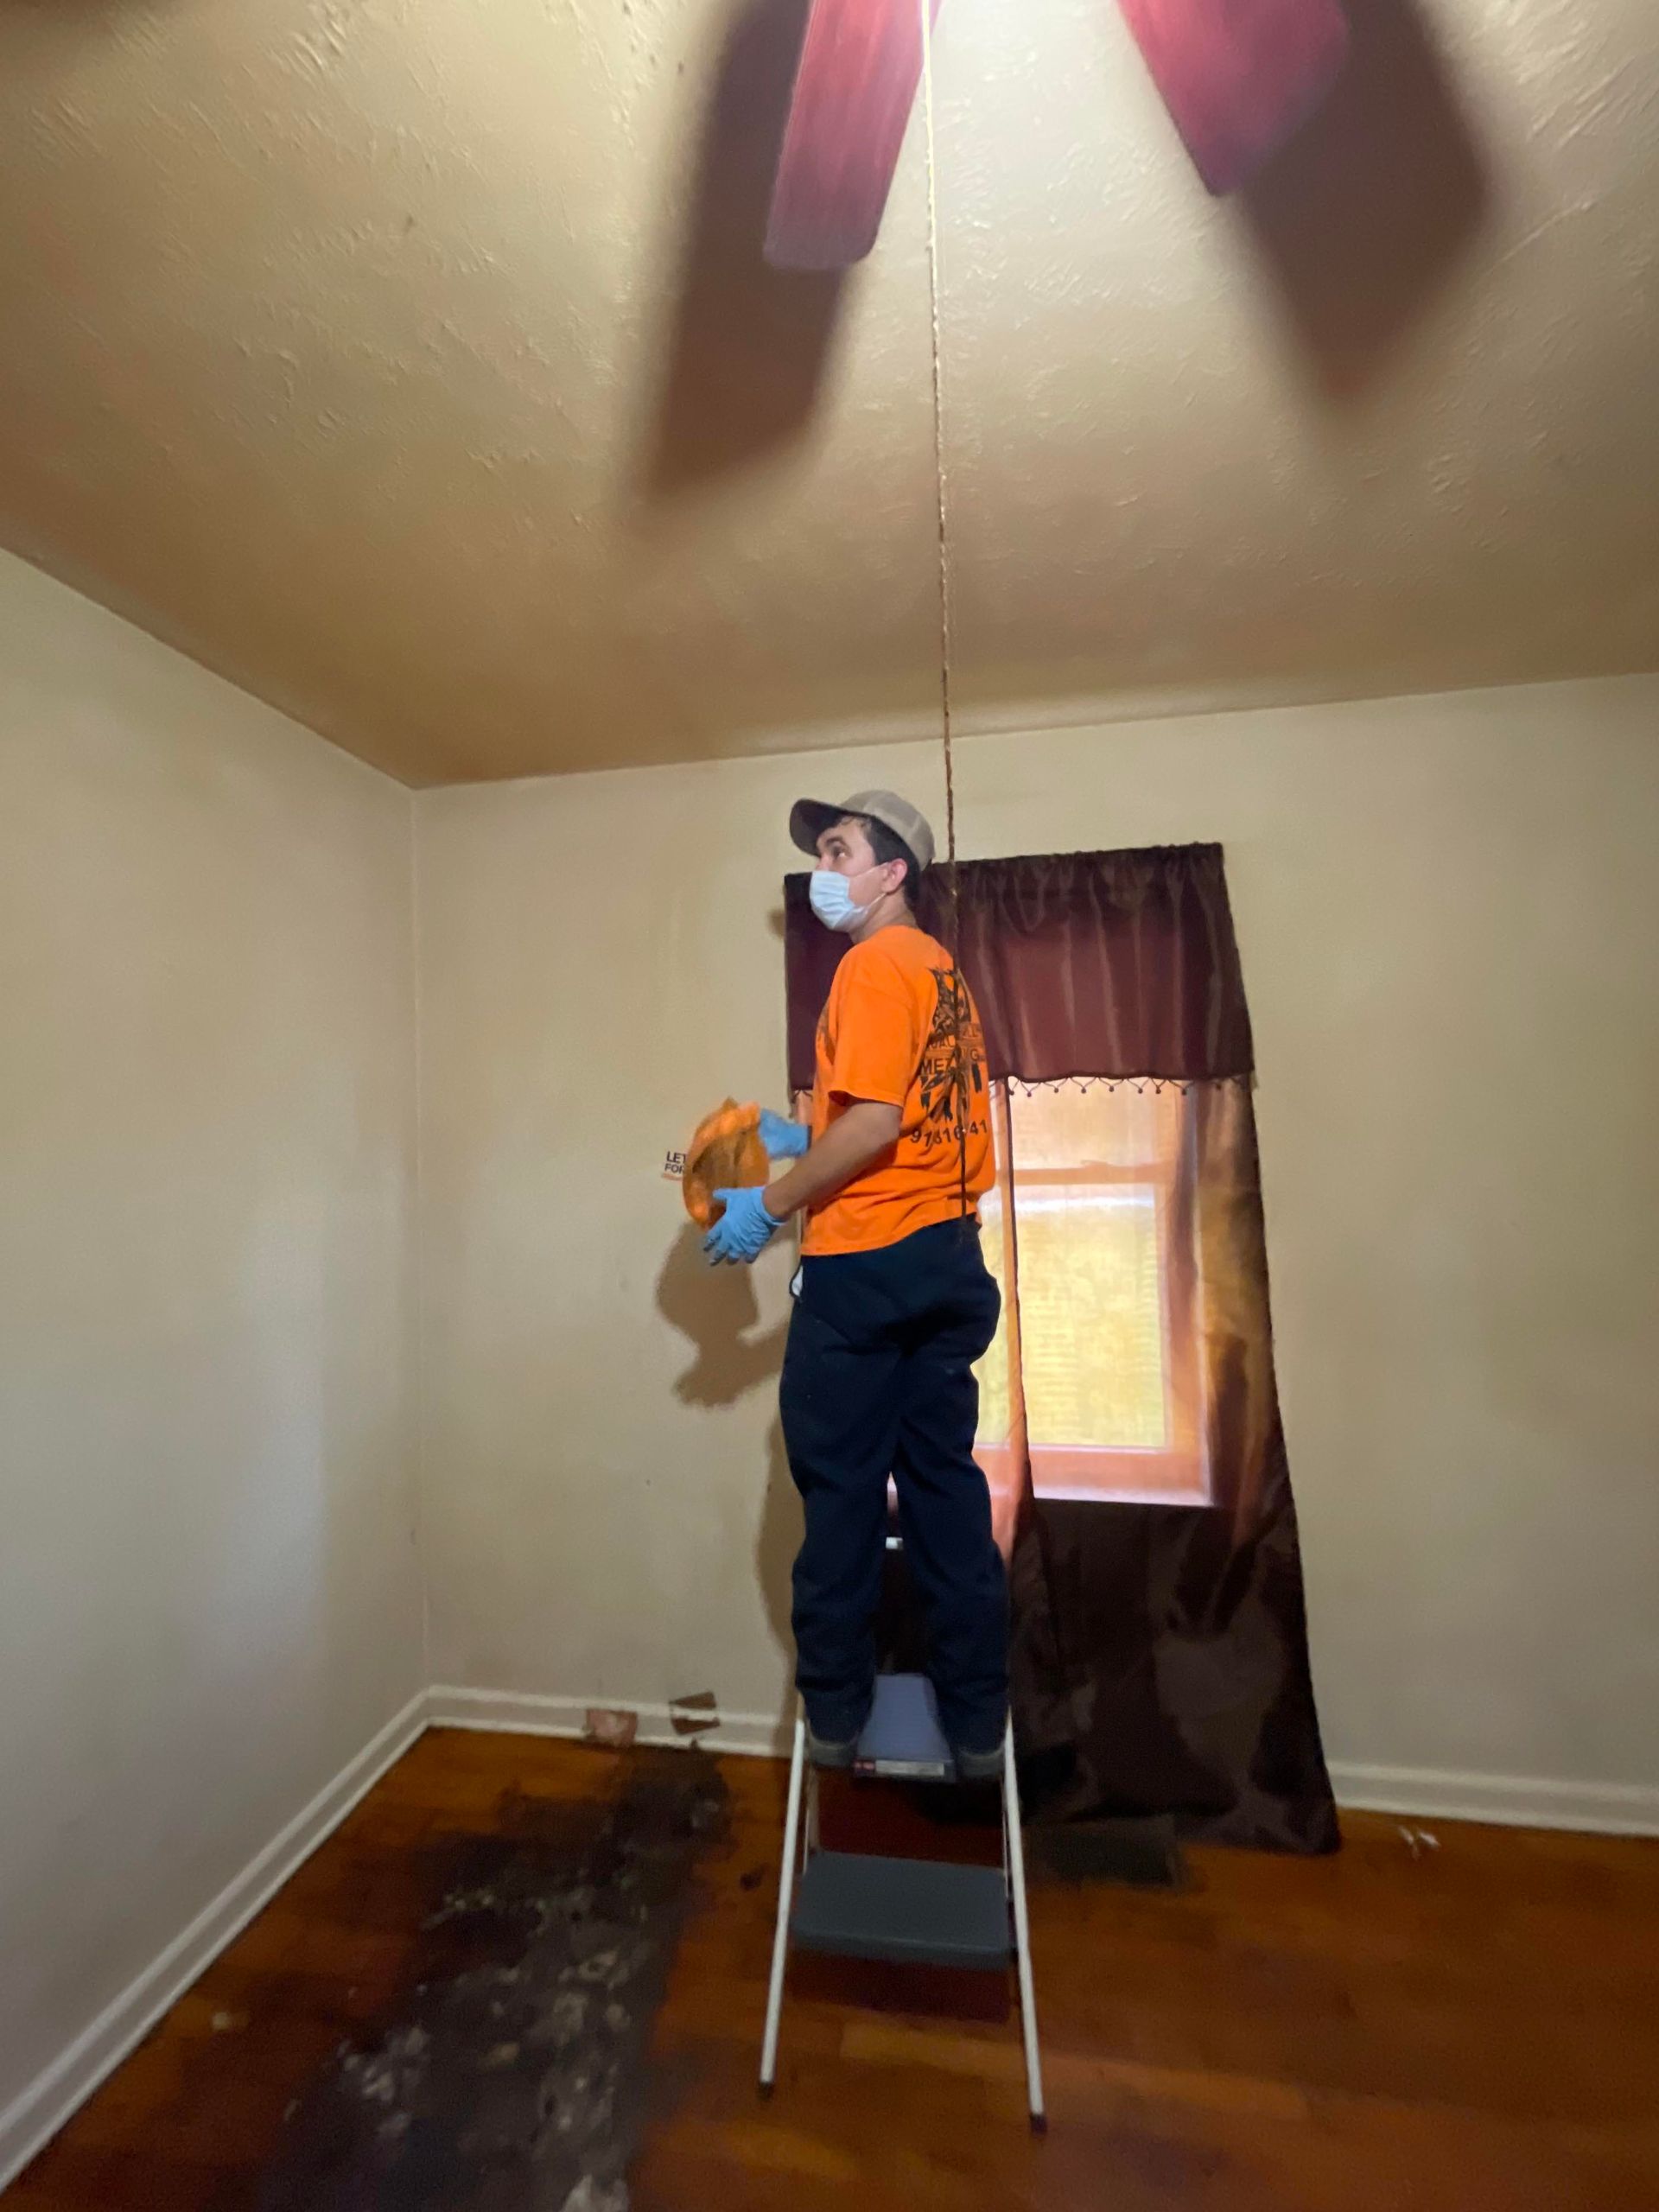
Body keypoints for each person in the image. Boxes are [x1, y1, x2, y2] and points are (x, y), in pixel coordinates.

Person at [703, 789, 1007, 1776]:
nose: (822, 870)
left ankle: (835, 1717)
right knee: (944, 1491)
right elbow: (904, 1119)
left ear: (892, 873)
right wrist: (806, 1137)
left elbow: (875, 1125)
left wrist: (771, 1203)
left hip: (867, 1261)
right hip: (947, 1255)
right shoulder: (940, 971)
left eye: (839, 850)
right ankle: (977, 1722)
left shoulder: (873, 964)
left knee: (838, 1496)